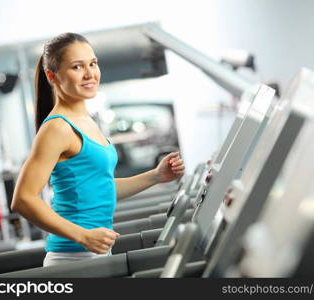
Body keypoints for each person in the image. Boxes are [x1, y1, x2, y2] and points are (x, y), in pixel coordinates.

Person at [11, 32, 185, 267]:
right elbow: (23, 199)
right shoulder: (58, 128)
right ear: (52, 76)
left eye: (92, 63)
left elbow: (100, 187)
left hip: (95, 253)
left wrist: (156, 176)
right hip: (71, 258)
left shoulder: (86, 120)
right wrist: (83, 235)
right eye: (77, 66)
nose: (89, 73)